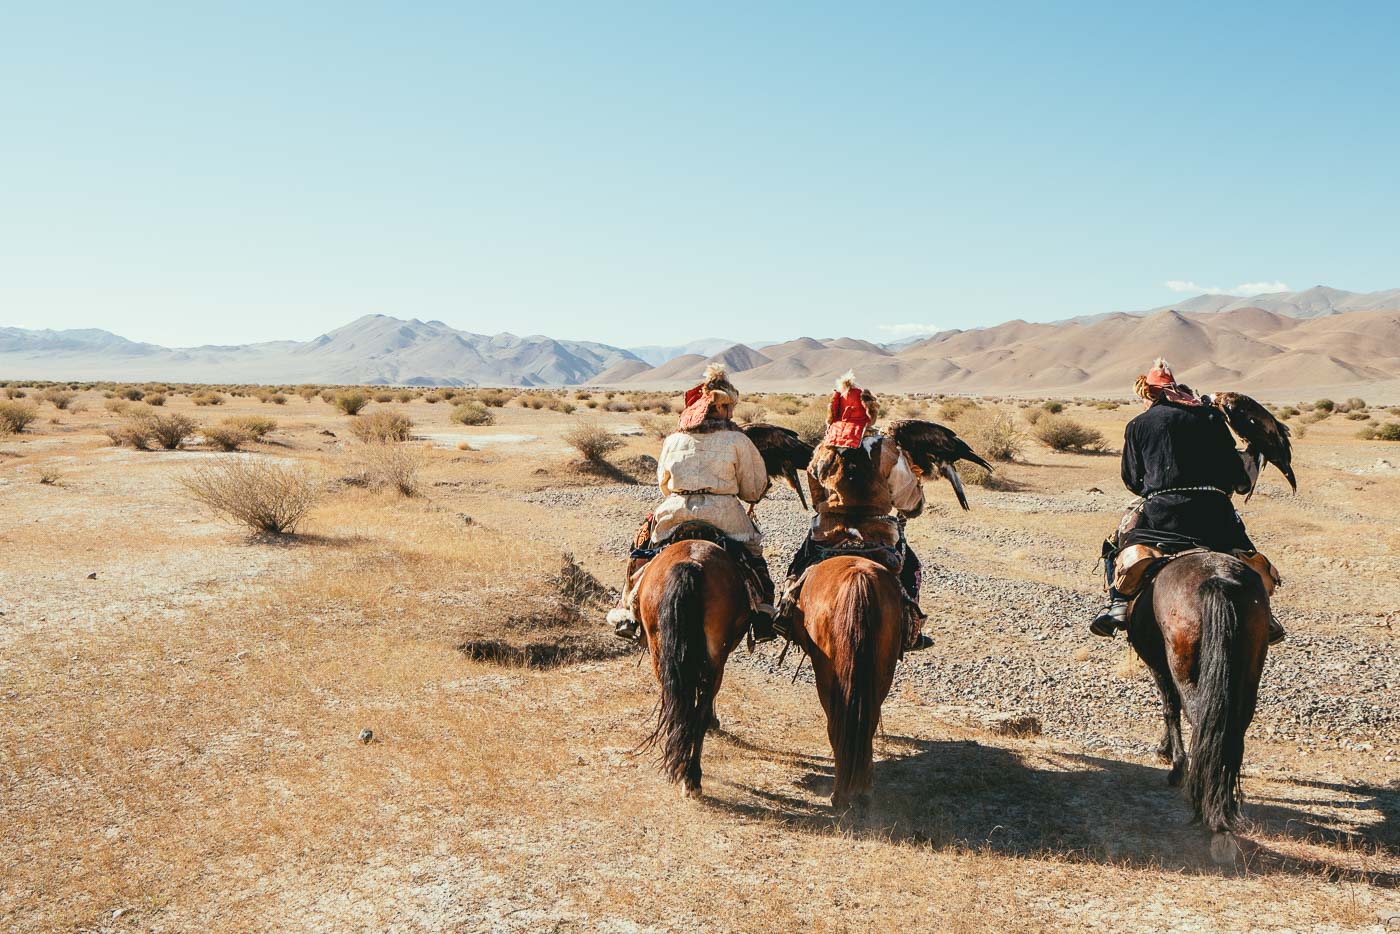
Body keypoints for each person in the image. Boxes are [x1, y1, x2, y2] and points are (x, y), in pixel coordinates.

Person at [1092, 358, 1285, 644]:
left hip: (1162, 514)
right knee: (1246, 553)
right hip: (1214, 515)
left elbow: (1132, 480)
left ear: (1148, 394)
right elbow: (1235, 474)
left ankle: (1118, 605)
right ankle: (1265, 615)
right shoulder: (1211, 417)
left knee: (1112, 546)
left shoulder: (1138, 424)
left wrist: (1158, 485)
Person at [608, 365, 778, 642]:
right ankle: (762, 614)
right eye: (729, 408)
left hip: (675, 510)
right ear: (720, 408)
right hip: (725, 513)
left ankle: (627, 607)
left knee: (642, 547)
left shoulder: (674, 439)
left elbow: (663, 484)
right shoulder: (738, 439)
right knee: (754, 552)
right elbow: (752, 489)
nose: (732, 414)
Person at [778, 372, 933, 651]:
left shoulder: (824, 450)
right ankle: (911, 626)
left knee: (799, 565)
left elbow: (816, 497)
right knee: (911, 569)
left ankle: (785, 613)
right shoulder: (888, 449)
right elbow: (908, 502)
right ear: (871, 415)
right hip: (879, 535)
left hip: (829, 533)